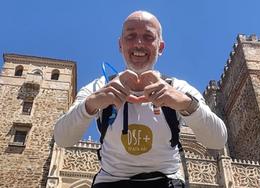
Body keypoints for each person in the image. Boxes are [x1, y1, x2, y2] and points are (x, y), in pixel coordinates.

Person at [54, 10, 227, 188]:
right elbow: (62, 139)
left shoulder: (179, 88)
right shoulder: (98, 87)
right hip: (111, 181)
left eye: (148, 36)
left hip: (166, 180)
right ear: (120, 45)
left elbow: (217, 140)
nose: (138, 43)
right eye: (130, 36)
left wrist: (184, 103)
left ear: (160, 47)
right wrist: (91, 104)